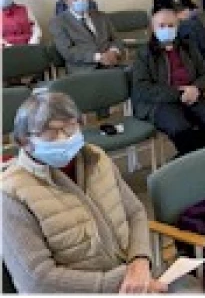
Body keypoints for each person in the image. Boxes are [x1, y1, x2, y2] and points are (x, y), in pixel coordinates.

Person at [2, 92, 167, 293]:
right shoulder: (11, 193)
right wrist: (121, 280)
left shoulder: (97, 157)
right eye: (51, 132)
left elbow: (135, 213)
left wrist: (140, 260)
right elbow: (38, 279)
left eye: (71, 126)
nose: (64, 138)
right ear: (24, 141)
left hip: (133, 277)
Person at [131, 8, 205, 157]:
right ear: (153, 29)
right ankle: (196, 160)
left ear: (177, 27)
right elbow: (143, 87)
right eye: (161, 26)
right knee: (181, 129)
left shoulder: (188, 46)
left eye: (171, 25)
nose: (166, 29)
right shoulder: (144, 53)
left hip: (191, 94)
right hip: (159, 102)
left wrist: (196, 88)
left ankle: (183, 160)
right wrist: (178, 94)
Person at [49, 0, 124, 74]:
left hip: (112, 64)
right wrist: (98, 57)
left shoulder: (102, 16)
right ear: (67, 1)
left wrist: (113, 51)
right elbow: (68, 52)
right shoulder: (58, 22)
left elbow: (116, 38)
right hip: (84, 70)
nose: (81, 0)